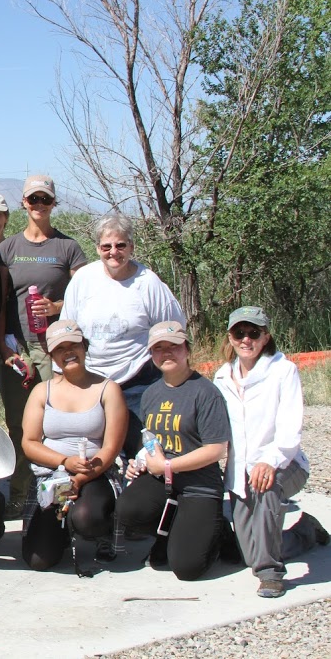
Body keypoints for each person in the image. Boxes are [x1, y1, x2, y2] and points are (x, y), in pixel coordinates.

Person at [212, 307, 329, 598]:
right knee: (249, 554)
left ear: (266, 337)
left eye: (254, 333)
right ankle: (305, 533)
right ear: (230, 337)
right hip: (241, 472)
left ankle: (271, 573)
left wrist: (270, 461)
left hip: (285, 464)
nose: (246, 340)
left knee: (267, 488)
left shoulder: (283, 370)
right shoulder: (222, 376)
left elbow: (290, 430)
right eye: (240, 333)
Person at [0, 178, 87, 516]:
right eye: (33, 198)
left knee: (57, 424)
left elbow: (85, 296)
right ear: (23, 202)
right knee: (20, 425)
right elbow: (0, 304)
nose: (39, 204)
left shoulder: (68, 248)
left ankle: (59, 492)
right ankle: (21, 494)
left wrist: (56, 308)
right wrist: (4, 349)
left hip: (55, 350)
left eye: (45, 199)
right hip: (18, 349)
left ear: (53, 203)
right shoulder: (8, 248)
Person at [115, 321, 230, 581]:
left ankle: (218, 533)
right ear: (151, 354)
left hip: (199, 485)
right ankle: (172, 533)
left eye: (173, 347)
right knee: (127, 509)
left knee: (187, 569)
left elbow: (216, 450)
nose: (166, 353)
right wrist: (140, 461)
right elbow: (151, 439)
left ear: (187, 349)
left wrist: (168, 466)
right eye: (158, 348)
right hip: (163, 481)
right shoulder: (151, 393)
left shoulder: (205, 392)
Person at [61, 212, 183, 457]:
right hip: (92, 381)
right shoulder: (84, 279)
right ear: (97, 248)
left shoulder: (149, 283)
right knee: (96, 452)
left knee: (142, 450)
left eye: (120, 245)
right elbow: (68, 329)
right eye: (106, 246)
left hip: (137, 380)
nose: (113, 252)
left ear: (131, 247)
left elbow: (173, 330)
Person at [20, 320, 126, 570]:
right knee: (38, 560)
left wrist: (80, 477)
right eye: (60, 349)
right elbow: (29, 443)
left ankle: (103, 530)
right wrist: (65, 463)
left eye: (74, 345)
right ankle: (62, 532)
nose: (68, 352)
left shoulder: (108, 389)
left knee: (87, 518)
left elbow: (111, 447)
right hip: (53, 474)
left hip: (95, 473)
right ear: (52, 356)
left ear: (84, 346)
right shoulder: (41, 392)